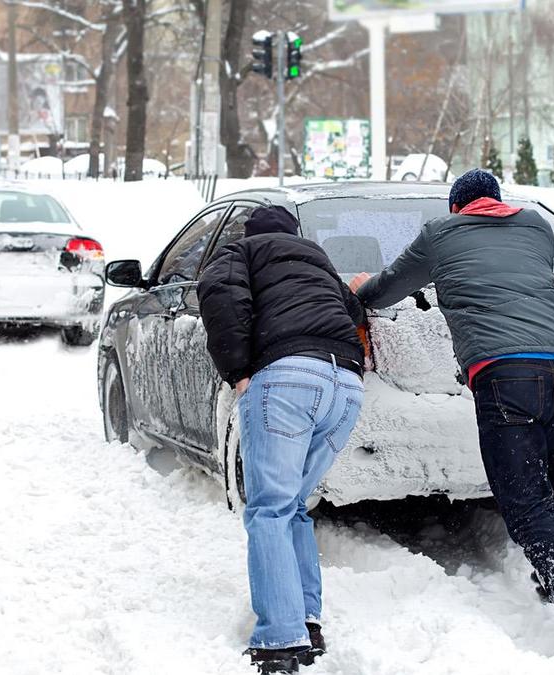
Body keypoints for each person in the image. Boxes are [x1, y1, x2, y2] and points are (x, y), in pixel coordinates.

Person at [350, 169, 554, 665]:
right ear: (497, 202)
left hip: (508, 376)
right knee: (542, 485)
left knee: (523, 504)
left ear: (458, 207)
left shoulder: (440, 234)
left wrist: (353, 295)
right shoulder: (538, 227)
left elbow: (388, 287)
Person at [197, 205, 366, 674]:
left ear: (251, 234)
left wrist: (237, 369)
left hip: (288, 378)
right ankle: (307, 620)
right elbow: (353, 312)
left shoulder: (241, 251)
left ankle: (279, 640)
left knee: (269, 507)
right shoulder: (319, 261)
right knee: (292, 505)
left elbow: (219, 295)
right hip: (346, 387)